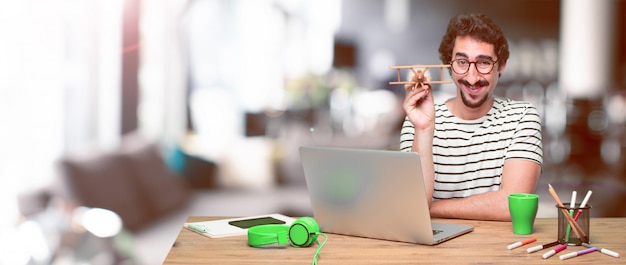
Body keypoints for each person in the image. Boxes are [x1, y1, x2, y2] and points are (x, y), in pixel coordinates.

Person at [399, 13, 543, 221]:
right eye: (462, 62)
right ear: (449, 64)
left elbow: (512, 205)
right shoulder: (417, 119)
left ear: (501, 65)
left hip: (495, 250)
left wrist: (429, 208)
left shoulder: (521, 117)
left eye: (484, 63)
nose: (472, 77)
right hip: (432, 250)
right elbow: (411, 205)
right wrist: (423, 129)